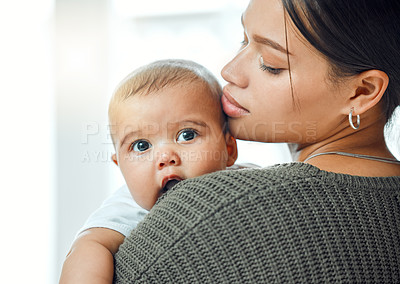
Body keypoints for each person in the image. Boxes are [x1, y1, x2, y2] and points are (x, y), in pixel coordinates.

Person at [69, 0, 400, 282]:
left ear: (362, 91)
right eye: (243, 40)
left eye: (270, 65)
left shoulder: (208, 207)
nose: (229, 71)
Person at [59, 59, 239, 283]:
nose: (165, 157)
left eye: (187, 135)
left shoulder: (247, 180)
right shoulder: (127, 206)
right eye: (141, 146)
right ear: (120, 166)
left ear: (229, 149)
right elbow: (89, 245)